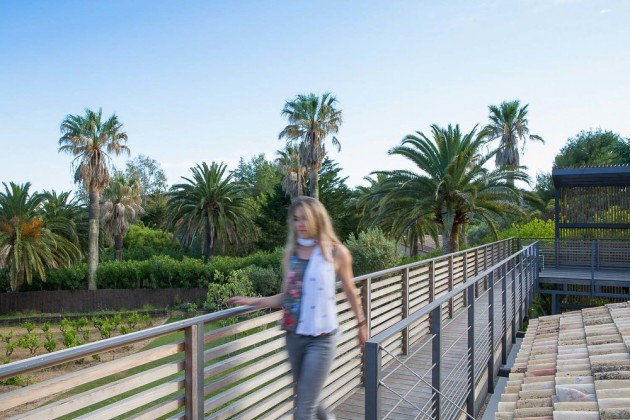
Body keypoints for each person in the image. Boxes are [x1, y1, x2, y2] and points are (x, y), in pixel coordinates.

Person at [228, 196, 368, 420]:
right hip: (293, 336)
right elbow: (288, 296)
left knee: (303, 411)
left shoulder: (336, 252)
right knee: (307, 396)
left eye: (305, 218)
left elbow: (350, 291)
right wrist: (254, 301)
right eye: (295, 219)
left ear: (317, 219)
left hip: (322, 338)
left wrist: (361, 325)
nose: (299, 224)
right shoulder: (292, 254)